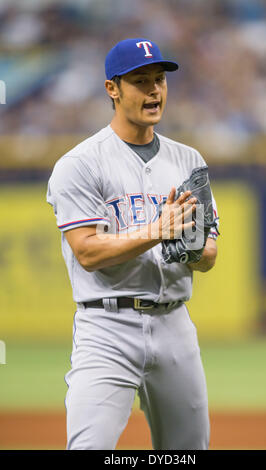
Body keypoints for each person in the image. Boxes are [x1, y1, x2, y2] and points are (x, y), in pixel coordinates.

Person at [46, 38, 219, 450]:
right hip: (107, 327)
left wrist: (192, 247)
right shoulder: (80, 164)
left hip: (175, 323)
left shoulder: (189, 160)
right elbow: (87, 252)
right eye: (140, 81)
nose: (154, 90)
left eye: (159, 80)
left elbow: (209, 255)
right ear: (113, 89)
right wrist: (157, 232)